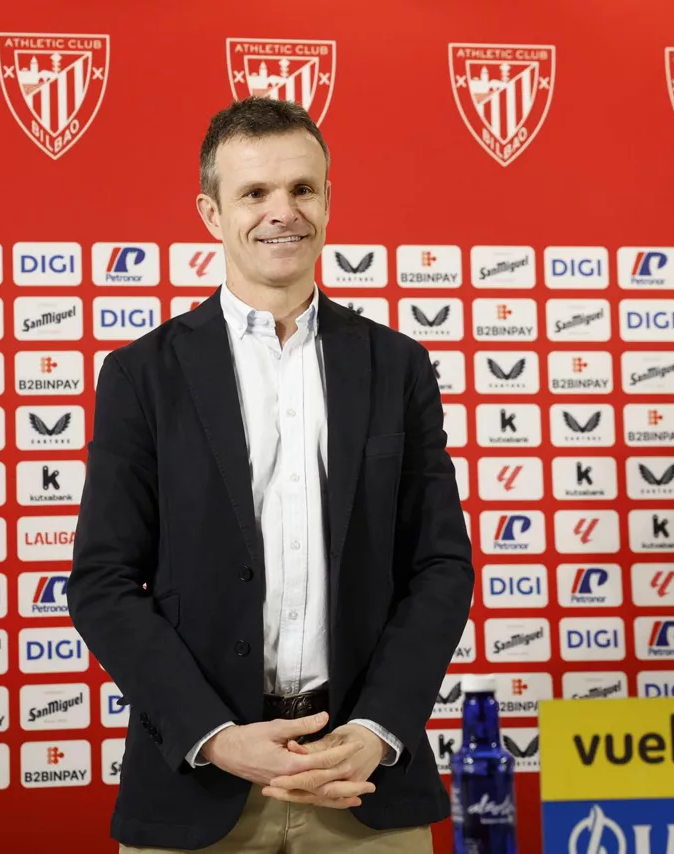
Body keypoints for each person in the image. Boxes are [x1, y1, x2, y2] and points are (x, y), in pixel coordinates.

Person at [68, 96, 475, 853]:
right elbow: (103, 582)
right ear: (211, 213)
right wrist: (214, 736)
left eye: (302, 189)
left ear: (327, 201)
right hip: (199, 785)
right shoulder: (141, 377)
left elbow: (441, 566)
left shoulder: (397, 366)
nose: (282, 212)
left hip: (361, 785)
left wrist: (379, 728)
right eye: (254, 193)